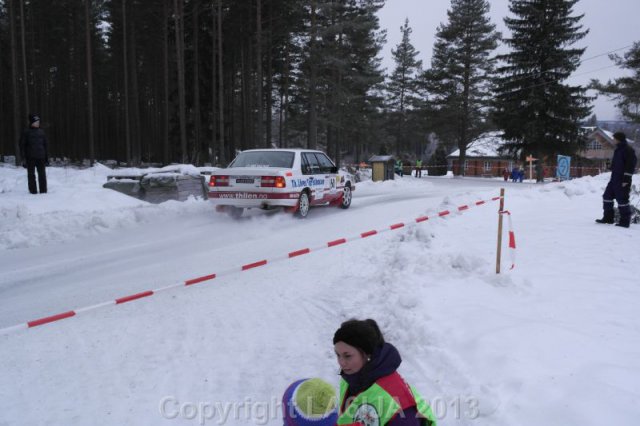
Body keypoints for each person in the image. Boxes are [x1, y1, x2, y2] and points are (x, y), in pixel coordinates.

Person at [333, 319, 437, 425]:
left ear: (367, 353)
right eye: (338, 355)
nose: (341, 363)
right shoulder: (350, 378)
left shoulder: (396, 402)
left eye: (347, 356)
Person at [595, 131, 637, 228]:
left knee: (622, 200)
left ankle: (625, 221)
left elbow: (630, 165)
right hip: (614, 179)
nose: (613, 140)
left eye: (614, 138)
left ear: (618, 139)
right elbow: (617, 165)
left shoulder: (628, 150)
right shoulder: (618, 150)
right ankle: (608, 218)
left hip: (622, 180)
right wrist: (610, 166)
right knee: (607, 196)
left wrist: (626, 179)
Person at [20, 113, 49, 194]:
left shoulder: (42, 132)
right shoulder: (26, 132)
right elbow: (22, 146)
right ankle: (33, 192)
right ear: (32, 122)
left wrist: (46, 158)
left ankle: (43, 191)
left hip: (41, 157)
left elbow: (45, 145)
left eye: (38, 122)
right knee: (31, 175)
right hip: (30, 157)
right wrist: (24, 159)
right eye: (36, 122)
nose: (38, 123)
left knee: (42, 175)